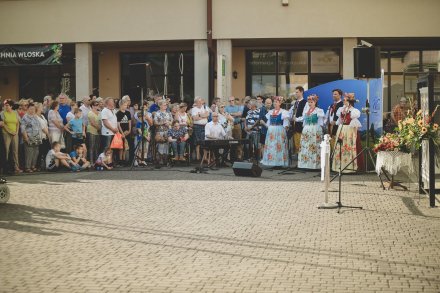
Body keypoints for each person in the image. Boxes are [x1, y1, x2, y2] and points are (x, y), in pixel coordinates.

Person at [332, 93, 364, 173]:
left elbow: (354, 124)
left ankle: (349, 167)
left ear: (349, 101)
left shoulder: (354, 111)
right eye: (343, 100)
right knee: (340, 146)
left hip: (349, 130)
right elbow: (339, 121)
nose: (343, 101)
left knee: (348, 146)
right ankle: (339, 166)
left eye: (345, 100)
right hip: (341, 129)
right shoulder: (341, 110)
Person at [298, 95, 325, 170]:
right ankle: (306, 164)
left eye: (311, 102)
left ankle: (315, 165)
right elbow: (303, 119)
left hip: (315, 129)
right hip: (307, 129)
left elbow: (321, 121)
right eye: (309, 102)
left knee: (314, 146)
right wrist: (296, 119)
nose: (310, 104)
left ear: (315, 102)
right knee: (306, 146)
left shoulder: (318, 110)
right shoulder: (306, 110)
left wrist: (320, 130)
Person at [261, 96, 290, 167]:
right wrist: (269, 128)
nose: (274, 103)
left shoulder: (283, 112)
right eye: (274, 102)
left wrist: (286, 129)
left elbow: (286, 123)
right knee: (272, 146)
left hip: (279, 130)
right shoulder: (271, 112)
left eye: (276, 102)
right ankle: (271, 162)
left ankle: (279, 162)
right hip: (271, 130)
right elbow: (268, 123)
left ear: (280, 103)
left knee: (279, 146)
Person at [1, 99, 22, 173]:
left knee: (15, 151)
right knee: (6, 150)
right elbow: (2, 124)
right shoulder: (2, 113)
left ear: (11, 106)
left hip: (15, 133)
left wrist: (16, 131)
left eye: (7, 105)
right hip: (6, 133)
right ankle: (5, 167)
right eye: (5, 105)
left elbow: (18, 123)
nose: (5, 107)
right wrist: (9, 131)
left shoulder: (15, 113)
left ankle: (16, 167)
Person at [20, 103, 43, 173]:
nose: (32, 110)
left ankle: (33, 166)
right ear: (28, 109)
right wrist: (26, 138)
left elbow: (39, 127)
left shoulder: (35, 117)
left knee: (35, 153)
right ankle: (27, 167)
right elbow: (23, 129)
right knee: (29, 153)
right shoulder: (25, 117)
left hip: (36, 139)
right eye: (31, 109)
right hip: (29, 138)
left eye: (33, 109)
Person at [289, 86, 308, 157]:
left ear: (301, 92)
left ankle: (302, 158)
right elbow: (291, 113)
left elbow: (305, 116)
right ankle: (298, 158)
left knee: (301, 143)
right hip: (294, 126)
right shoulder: (295, 103)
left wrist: (296, 119)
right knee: (296, 143)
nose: (295, 94)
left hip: (300, 126)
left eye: (297, 92)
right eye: (295, 92)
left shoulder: (305, 102)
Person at [191, 96, 211, 160]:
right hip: (197, 126)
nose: (200, 103)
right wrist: (203, 116)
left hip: (205, 126)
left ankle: (205, 157)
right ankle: (198, 156)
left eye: (200, 101)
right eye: (198, 102)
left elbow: (207, 115)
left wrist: (199, 115)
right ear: (196, 102)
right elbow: (194, 118)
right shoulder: (194, 109)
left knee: (205, 141)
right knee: (198, 141)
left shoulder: (205, 107)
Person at [154, 99, 173, 165]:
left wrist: (169, 123)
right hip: (160, 131)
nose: (166, 106)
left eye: (166, 105)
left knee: (167, 145)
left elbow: (172, 121)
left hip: (168, 131)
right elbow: (155, 123)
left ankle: (166, 160)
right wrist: (162, 123)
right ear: (160, 106)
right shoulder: (157, 113)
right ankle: (160, 160)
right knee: (161, 145)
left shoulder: (169, 113)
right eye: (164, 105)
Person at [224, 96, 243, 161]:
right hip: (229, 126)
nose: (231, 102)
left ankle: (239, 157)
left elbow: (240, 114)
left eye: (232, 100)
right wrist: (235, 114)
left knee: (238, 141)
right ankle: (230, 158)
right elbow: (226, 115)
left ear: (234, 100)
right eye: (229, 101)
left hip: (237, 125)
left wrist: (231, 114)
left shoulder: (238, 107)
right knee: (230, 142)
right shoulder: (226, 108)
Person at [116, 100, 132, 165]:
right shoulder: (118, 113)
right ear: (120, 105)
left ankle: (125, 160)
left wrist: (129, 130)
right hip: (121, 132)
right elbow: (118, 124)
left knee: (126, 147)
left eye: (126, 105)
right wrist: (122, 133)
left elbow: (129, 122)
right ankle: (120, 160)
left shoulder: (128, 113)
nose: (126, 106)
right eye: (124, 105)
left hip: (127, 131)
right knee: (121, 147)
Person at [35, 103, 50, 171]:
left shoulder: (42, 116)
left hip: (46, 136)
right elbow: (42, 127)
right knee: (40, 152)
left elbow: (46, 125)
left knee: (45, 151)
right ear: (37, 108)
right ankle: (38, 166)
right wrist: (48, 134)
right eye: (41, 107)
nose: (43, 108)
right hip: (41, 136)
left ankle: (44, 166)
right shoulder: (36, 117)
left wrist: (48, 134)